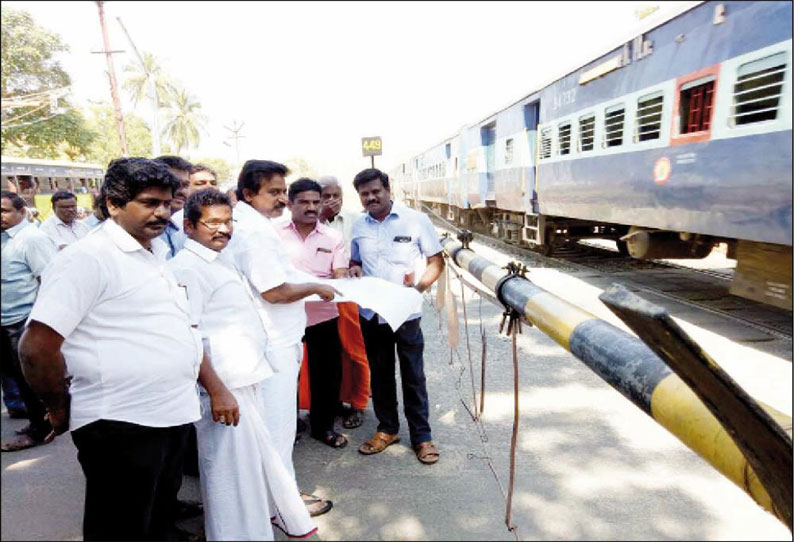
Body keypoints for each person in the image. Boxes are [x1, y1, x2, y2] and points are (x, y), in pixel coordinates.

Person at [17, 158, 239, 541]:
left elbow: (181, 329)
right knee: (119, 527)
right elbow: (36, 347)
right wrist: (57, 407)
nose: (162, 212)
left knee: (154, 522)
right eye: (149, 202)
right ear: (113, 204)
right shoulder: (87, 259)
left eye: (168, 203)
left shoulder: (155, 252)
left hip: (168, 415)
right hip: (121, 422)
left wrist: (214, 386)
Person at [169, 189, 316, 540]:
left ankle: (255, 529)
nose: (223, 229)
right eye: (212, 223)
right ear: (189, 227)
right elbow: (190, 336)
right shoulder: (186, 268)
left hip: (243, 378)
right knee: (225, 472)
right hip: (223, 387)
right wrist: (217, 392)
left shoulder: (219, 260)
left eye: (228, 221)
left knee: (247, 469)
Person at [227, 159, 338, 516]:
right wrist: (316, 287)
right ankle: (283, 505)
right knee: (278, 429)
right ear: (248, 193)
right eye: (273, 192)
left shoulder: (250, 224)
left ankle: (277, 497)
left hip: (270, 338)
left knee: (274, 428)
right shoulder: (256, 232)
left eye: (281, 192)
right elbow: (274, 291)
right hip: (273, 341)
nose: (282, 200)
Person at [349, 168, 445, 465]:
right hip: (372, 313)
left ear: (388, 188)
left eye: (375, 191)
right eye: (364, 194)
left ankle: (422, 436)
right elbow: (355, 260)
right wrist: (354, 269)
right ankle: (387, 429)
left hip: (405, 314)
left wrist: (417, 289)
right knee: (380, 375)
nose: (370, 198)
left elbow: (436, 262)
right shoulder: (358, 225)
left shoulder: (416, 220)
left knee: (413, 375)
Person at [280, 178, 348, 448]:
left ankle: (323, 427)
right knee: (287, 374)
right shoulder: (273, 234)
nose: (311, 207)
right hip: (284, 315)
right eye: (304, 202)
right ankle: (291, 426)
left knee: (327, 374)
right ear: (290, 203)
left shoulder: (333, 237)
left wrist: (346, 275)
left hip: (323, 316)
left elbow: (340, 273)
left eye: (315, 202)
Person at [0, 191, 58, 451]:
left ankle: (41, 428)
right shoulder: (4, 238)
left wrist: (42, 325)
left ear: (22, 212)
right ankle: (38, 421)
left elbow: (49, 280)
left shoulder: (31, 239)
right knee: (14, 376)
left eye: (4, 210)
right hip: (5, 319)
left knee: (29, 379)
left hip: (23, 321)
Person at [315, 175, 369, 429]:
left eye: (336, 195)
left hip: (349, 297)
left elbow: (359, 257)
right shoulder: (309, 223)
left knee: (355, 352)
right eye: (325, 196)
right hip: (318, 298)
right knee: (329, 357)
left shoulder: (355, 221)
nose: (332, 201)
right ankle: (334, 402)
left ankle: (358, 404)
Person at [154, 155, 193, 259]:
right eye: (175, 184)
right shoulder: (143, 228)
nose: (182, 191)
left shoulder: (177, 228)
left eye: (185, 185)